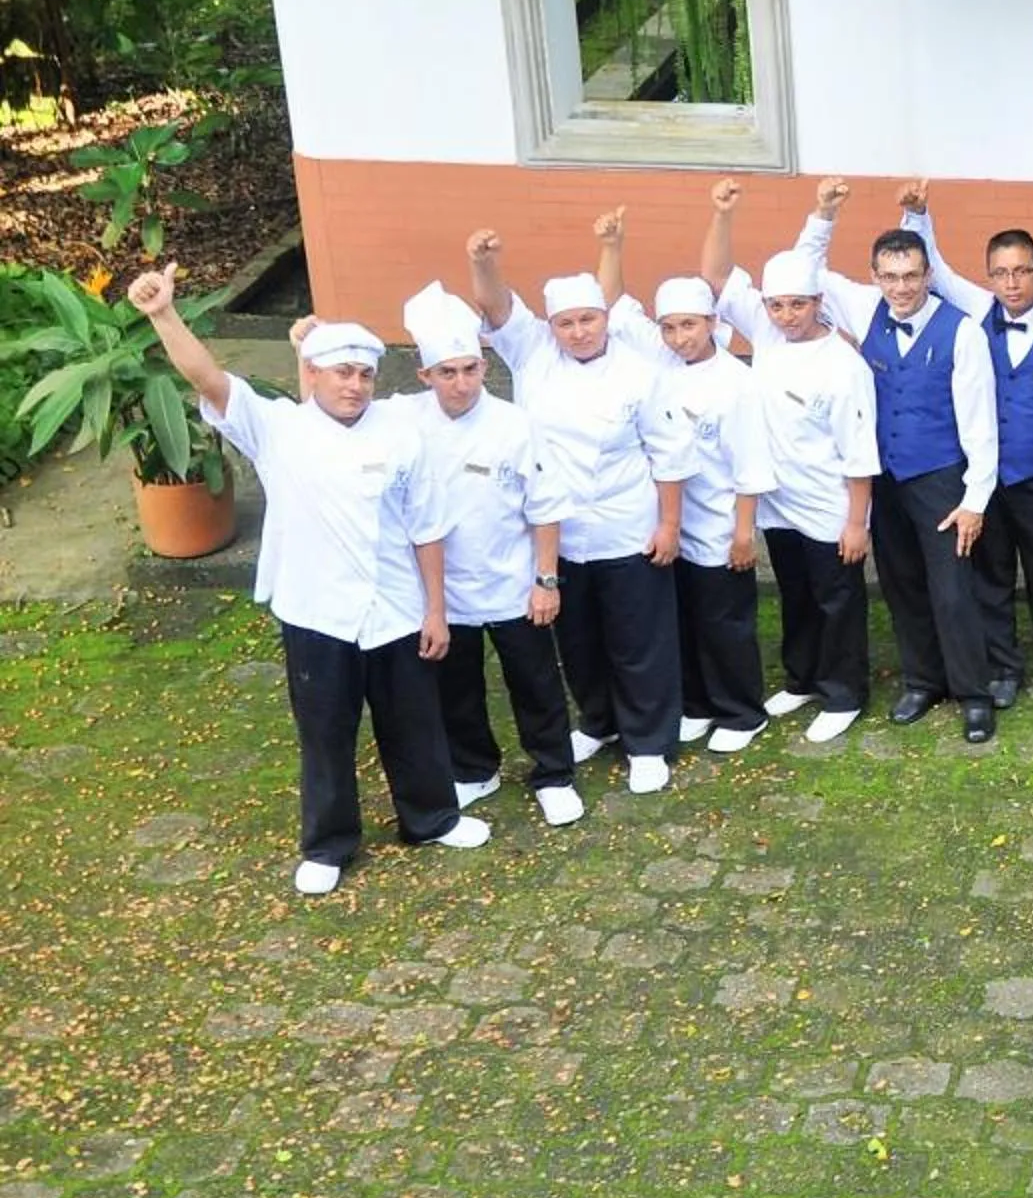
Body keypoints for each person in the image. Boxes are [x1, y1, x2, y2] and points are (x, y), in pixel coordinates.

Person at [134, 269, 486, 894]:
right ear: (314, 375)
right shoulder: (278, 429)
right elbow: (207, 379)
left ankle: (431, 818)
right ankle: (328, 845)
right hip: (316, 616)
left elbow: (427, 528)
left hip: (397, 612)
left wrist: (436, 611)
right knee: (325, 733)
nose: (354, 385)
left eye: (364, 374)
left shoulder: (402, 433)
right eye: (341, 372)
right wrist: (165, 314)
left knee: (414, 724)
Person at [464, 228, 694, 795]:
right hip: (557, 533)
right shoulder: (533, 355)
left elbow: (668, 453)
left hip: (627, 526)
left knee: (640, 639)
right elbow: (495, 305)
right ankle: (599, 720)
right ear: (550, 327)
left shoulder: (641, 371)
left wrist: (668, 524)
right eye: (566, 323)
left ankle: (647, 741)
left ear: (605, 318)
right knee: (579, 640)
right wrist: (483, 262)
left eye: (588, 320)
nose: (578, 332)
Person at [794, 183, 1005, 742]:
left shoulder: (961, 330)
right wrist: (824, 213)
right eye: (890, 276)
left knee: (953, 589)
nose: (901, 287)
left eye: (911, 275)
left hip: (940, 477)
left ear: (928, 274)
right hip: (883, 476)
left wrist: (974, 501)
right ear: (876, 276)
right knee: (901, 582)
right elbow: (805, 269)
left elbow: (981, 424)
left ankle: (973, 693)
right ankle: (922, 680)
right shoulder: (865, 309)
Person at [379, 287, 583, 829]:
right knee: (456, 686)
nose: (462, 383)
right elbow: (332, 411)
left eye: (471, 368)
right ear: (424, 376)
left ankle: (554, 773)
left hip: (513, 582)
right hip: (443, 592)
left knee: (536, 682)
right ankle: (474, 768)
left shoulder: (514, 424)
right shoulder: (400, 420)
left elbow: (545, 507)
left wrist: (546, 579)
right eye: (447, 372)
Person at [699, 177, 881, 743]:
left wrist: (857, 522)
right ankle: (803, 678)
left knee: (837, 600)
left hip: (829, 505)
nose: (784, 315)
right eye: (776, 305)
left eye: (796, 304)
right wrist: (722, 215)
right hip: (779, 502)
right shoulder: (766, 333)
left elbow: (859, 451)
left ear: (818, 303)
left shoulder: (845, 365)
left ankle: (844, 691)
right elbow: (715, 275)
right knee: (796, 595)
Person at [911, 199, 1033, 708]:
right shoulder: (975, 317)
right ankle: (1002, 667)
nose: (1012, 283)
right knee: (990, 576)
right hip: (986, 481)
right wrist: (919, 215)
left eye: (1022, 271)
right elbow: (940, 271)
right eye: (1001, 273)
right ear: (990, 277)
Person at [600, 216, 781, 757]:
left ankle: (742, 711)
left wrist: (744, 532)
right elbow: (614, 305)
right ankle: (697, 705)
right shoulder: (657, 361)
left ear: (712, 322)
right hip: (666, 525)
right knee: (682, 622)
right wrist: (612, 246)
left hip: (721, 525)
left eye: (690, 326)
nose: (680, 337)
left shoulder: (737, 382)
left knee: (725, 623)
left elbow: (751, 463)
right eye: (670, 327)